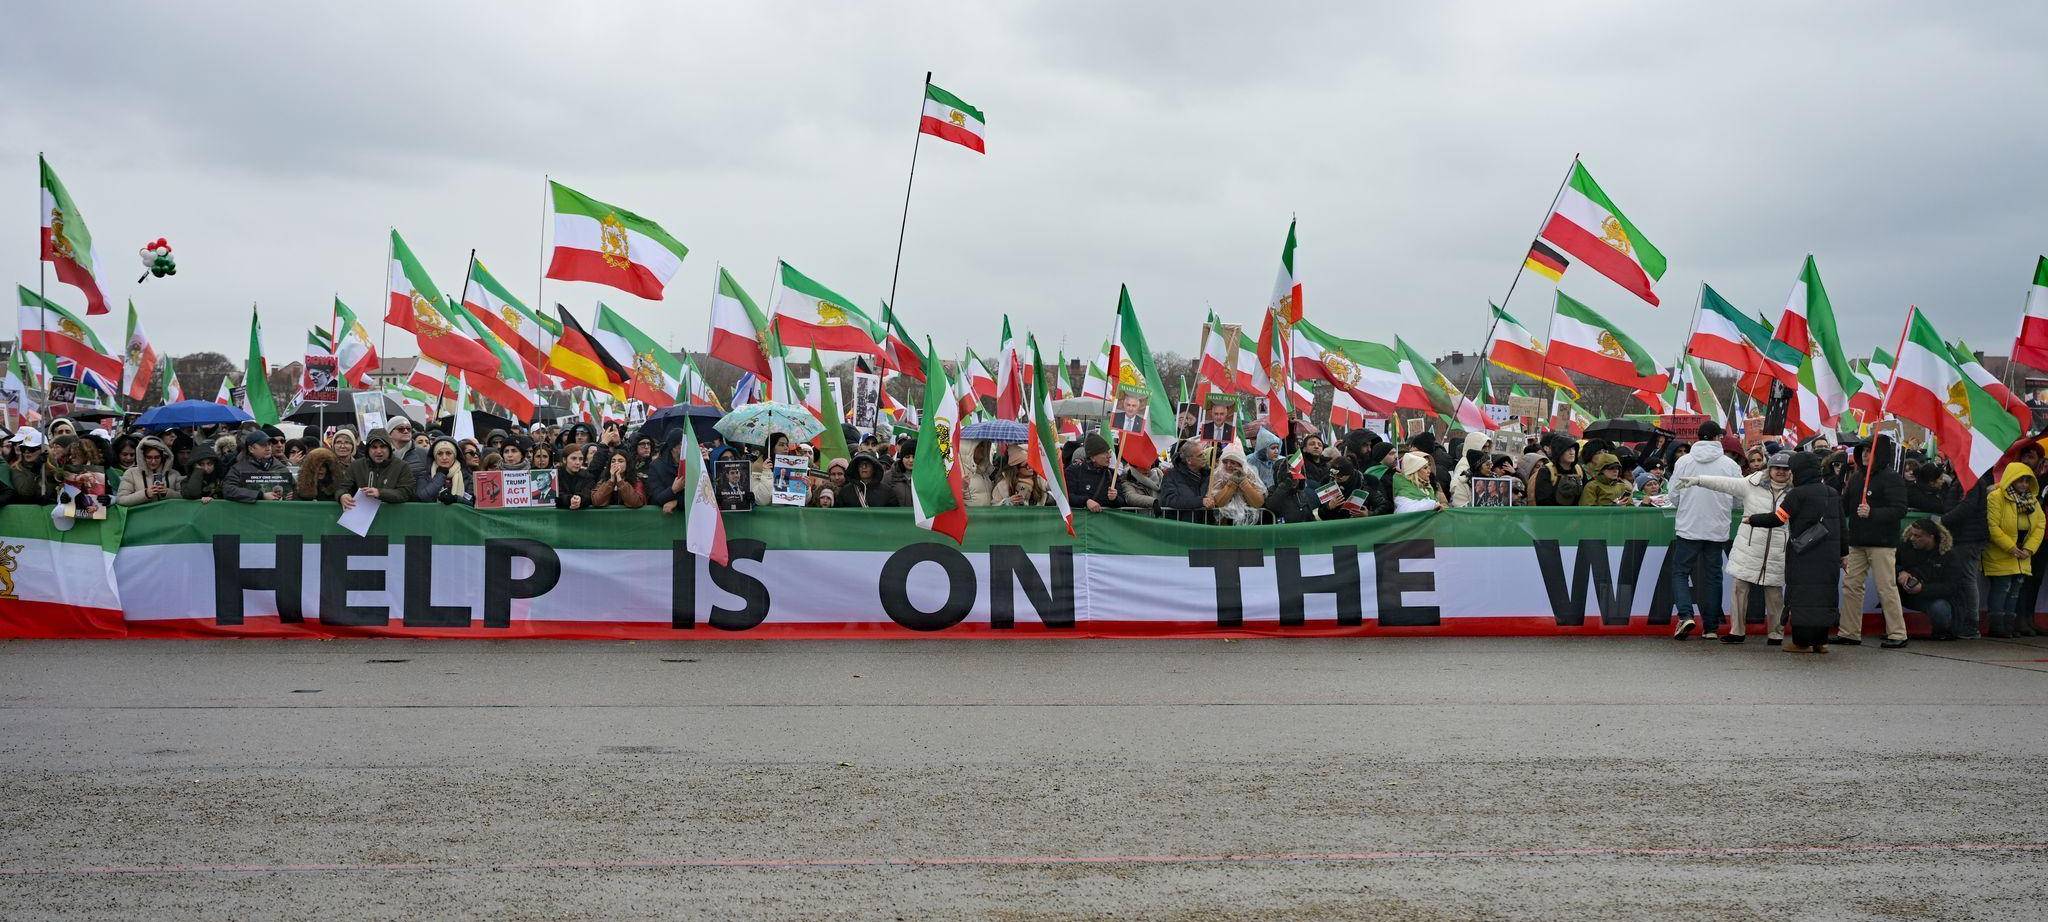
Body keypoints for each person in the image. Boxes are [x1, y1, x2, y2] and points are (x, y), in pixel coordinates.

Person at [1678, 451, 1793, 644]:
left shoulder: (1796, 491)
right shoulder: (1751, 483)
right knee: (1740, 589)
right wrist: (1698, 480)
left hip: (1778, 549)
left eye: (1785, 469)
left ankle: (1775, 634)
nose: (1781, 472)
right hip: (1748, 546)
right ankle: (1737, 631)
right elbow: (1724, 483)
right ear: (1769, 469)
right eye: (1777, 468)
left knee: (1774, 593)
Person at [1744, 452, 1844, 654]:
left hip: (1804, 554)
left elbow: (1778, 518)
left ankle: (1801, 642)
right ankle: (1821, 642)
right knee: (1824, 596)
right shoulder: (1832, 493)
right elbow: (1842, 525)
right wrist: (1844, 553)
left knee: (1802, 596)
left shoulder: (1797, 494)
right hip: (1829, 556)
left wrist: (1753, 519)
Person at [1665, 422, 1742, 639]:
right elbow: (1738, 499)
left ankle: (1686, 615)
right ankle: (1710, 628)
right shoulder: (1729, 465)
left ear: (1699, 437)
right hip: (1717, 528)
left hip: (1689, 527)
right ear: (1717, 437)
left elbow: (1674, 496)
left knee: (1681, 573)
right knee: (1713, 577)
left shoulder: (1684, 462)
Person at [1836, 434, 1910, 648]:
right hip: (1857, 540)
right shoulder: (1857, 477)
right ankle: (1849, 632)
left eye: (1870, 451)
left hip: (1882, 543)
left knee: (1886, 587)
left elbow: (1900, 509)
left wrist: (1873, 513)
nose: (1866, 455)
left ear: (1881, 453)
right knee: (1851, 586)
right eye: (1863, 451)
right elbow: (1845, 504)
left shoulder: (1892, 478)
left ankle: (1898, 633)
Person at [1983, 461, 2045, 638]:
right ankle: (1997, 627)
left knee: (2015, 591)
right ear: (2011, 480)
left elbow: (2040, 525)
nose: (2024, 485)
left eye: (2027, 481)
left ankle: (2009, 626)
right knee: (2002, 589)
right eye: (2020, 481)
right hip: (2001, 553)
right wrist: (2010, 547)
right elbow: (1992, 526)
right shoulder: (1995, 497)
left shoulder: (2032, 501)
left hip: (2023, 554)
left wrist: (2029, 549)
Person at [1896, 518, 1961, 640]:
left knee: (1940, 608)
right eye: (1912, 534)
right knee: (1888, 592)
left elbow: (1952, 587)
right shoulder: (1905, 546)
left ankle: (1941, 631)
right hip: (1905, 593)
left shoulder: (1948, 555)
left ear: (1931, 537)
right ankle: (1893, 629)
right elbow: (1891, 565)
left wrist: (1922, 588)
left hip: (1932, 597)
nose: (1912, 538)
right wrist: (1901, 573)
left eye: (1917, 536)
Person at [336, 428, 414, 511]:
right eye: (374, 447)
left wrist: (379, 493)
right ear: (368, 450)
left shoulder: (402, 466)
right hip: (362, 516)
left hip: (391, 516)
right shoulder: (356, 466)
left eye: (383, 446)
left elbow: (405, 492)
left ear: (389, 448)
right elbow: (342, 487)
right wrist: (342, 495)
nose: (378, 451)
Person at [1202, 441, 1265, 524]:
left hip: (1248, 523)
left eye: (1233, 462)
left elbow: (1258, 503)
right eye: (1225, 462)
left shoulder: (1250, 474)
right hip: (1224, 522)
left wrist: (1244, 483)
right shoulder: (1217, 475)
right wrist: (1232, 484)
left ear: (1241, 463)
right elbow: (1218, 503)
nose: (1228, 465)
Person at [115, 436, 184, 507]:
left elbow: (184, 497)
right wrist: (145, 494)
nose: (153, 461)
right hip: (142, 517)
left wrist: (168, 493)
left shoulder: (175, 474)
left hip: (169, 516)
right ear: (142, 457)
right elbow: (121, 500)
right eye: (149, 457)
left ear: (163, 456)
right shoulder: (131, 473)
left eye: (157, 457)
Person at [224, 431, 291, 503]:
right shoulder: (238, 469)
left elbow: (294, 488)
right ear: (251, 449)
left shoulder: (280, 467)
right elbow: (228, 490)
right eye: (263, 445)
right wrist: (260, 495)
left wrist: (292, 495)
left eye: (269, 444)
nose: (268, 448)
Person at [1156, 440, 1211, 519]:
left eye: (1204, 454)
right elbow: (1171, 500)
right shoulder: (1171, 475)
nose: (1204, 457)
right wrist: (1200, 502)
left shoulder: (1208, 475)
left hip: (1203, 526)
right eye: (1200, 455)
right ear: (1189, 460)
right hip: (1180, 526)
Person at [1065, 433, 1117, 512]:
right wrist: (1086, 501)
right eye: (1104, 453)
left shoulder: (1111, 474)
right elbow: (1067, 496)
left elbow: (1123, 501)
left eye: (1109, 452)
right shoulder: (1073, 471)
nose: (1109, 456)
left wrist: (1114, 498)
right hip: (1079, 522)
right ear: (1092, 457)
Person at [1529, 435, 1586, 507]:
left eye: (1573, 449)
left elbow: (1585, 496)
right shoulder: (1546, 471)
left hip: (1576, 516)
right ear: (1559, 451)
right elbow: (1543, 500)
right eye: (1568, 449)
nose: (1572, 452)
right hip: (1553, 516)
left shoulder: (1579, 470)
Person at [417, 438, 474, 505]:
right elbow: (422, 497)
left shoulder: (468, 477)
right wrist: (440, 475)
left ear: (455, 456)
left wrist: (455, 499)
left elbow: (473, 503)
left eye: (448, 453)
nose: (444, 457)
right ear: (435, 456)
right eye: (440, 453)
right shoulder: (425, 476)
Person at [5, 429, 53, 505]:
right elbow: (25, 492)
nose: (27, 452)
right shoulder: (17, 468)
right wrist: (34, 470)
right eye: (23, 448)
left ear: (44, 450)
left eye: (32, 449)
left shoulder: (53, 469)